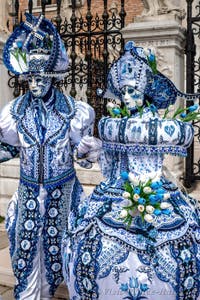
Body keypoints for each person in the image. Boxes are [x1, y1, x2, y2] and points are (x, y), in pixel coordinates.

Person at [62, 41, 200, 299]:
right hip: (119, 192)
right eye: (123, 92)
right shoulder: (118, 123)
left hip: (154, 192)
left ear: (145, 91)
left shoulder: (157, 124)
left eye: (132, 92)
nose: (126, 98)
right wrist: (97, 151)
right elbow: (113, 166)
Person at [1, 13, 100, 300]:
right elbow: (9, 148)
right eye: (30, 77)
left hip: (64, 195)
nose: (35, 84)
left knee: (65, 256)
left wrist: (85, 152)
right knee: (26, 256)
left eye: (41, 77)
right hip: (28, 194)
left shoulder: (74, 111)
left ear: (53, 76)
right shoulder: (14, 112)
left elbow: (81, 157)